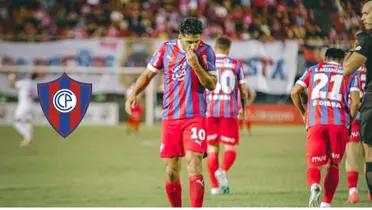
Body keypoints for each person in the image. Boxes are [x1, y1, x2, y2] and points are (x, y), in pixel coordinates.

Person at [125, 17, 217, 207]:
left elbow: (212, 85)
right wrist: (134, 93)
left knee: (194, 164)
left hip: (196, 117)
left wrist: (196, 66)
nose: (193, 45)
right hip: (171, 118)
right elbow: (148, 74)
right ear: (181, 36)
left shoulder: (206, 51)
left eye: (196, 41)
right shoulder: (166, 49)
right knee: (171, 171)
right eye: (189, 41)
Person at [291, 48, 360, 207]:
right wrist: (349, 119)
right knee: (333, 164)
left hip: (316, 122)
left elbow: (295, 92)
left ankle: (314, 184)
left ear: (325, 57)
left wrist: (303, 113)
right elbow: (355, 102)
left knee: (314, 164)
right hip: (339, 123)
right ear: (343, 59)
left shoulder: (313, 70)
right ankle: (326, 204)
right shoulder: (349, 73)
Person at [205, 36, 248, 195]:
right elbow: (243, 91)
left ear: (215, 48)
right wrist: (243, 108)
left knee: (211, 149)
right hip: (229, 111)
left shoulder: (208, 64)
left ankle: (215, 187)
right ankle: (222, 170)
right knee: (230, 147)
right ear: (228, 50)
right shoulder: (236, 64)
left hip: (210, 111)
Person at [343, 0, 372, 201]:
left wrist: (358, 44)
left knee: (365, 151)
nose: (363, 17)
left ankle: (355, 190)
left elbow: (346, 68)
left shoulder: (367, 40)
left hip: (365, 103)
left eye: (367, 13)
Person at [344, 66, 366, 204]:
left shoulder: (350, 67)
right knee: (369, 155)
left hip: (355, 114)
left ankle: (353, 190)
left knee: (351, 153)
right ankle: (370, 191)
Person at [8, 72, 38, 146]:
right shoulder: (35, 84)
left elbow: (12, 86)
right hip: (31, 105)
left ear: (30, 75)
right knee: (26, 121)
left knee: (16, 122)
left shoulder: (25, 82)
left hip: (23, 105)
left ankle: (27, 136)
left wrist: (11, 79)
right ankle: (27, 138)